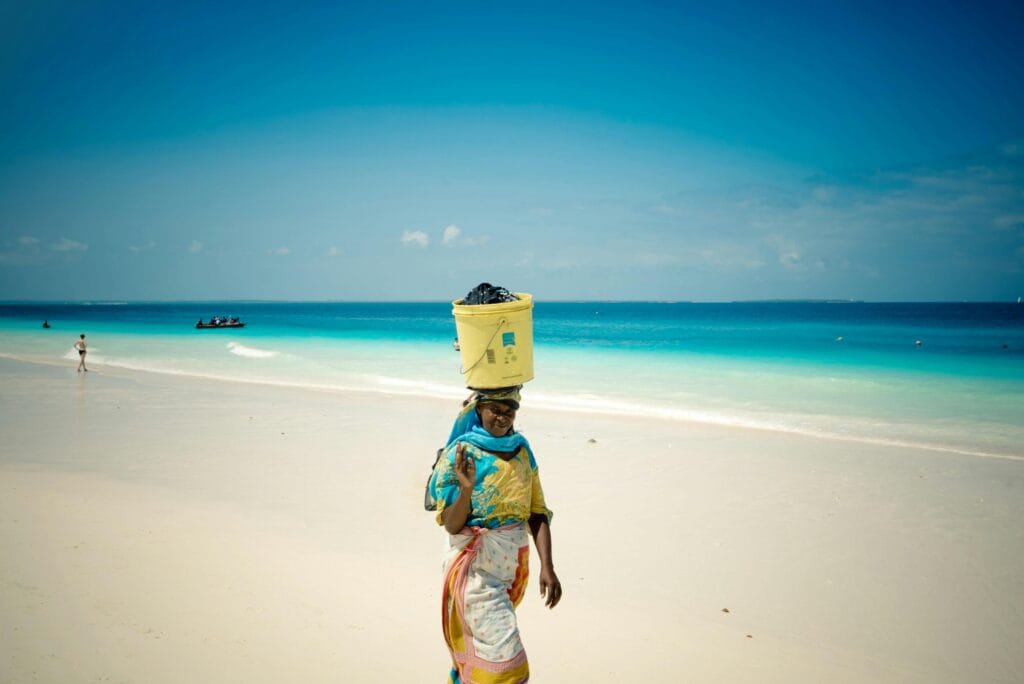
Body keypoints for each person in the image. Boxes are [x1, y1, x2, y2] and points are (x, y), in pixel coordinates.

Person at [428, 386, 561, 683]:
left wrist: (547, 567)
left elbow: (536, 511)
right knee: (508, 664)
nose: (502, 418)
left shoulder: (522, 451)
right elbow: (451, 524)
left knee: (484, 655)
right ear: (479, 410)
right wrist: (466, 488)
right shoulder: (462, 453)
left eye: (509, 411)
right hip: (474, 573)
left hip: (511, 569)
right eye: (495, 410)